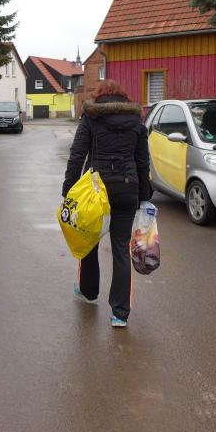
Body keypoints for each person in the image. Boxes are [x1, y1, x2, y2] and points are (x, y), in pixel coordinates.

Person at [62, 79, 152, 327]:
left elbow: (77, 155)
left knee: (89, 240)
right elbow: (142, 160)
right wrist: (144, 195)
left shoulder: (91, 117)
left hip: (95, 192)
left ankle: (89, 292)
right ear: (123, 97)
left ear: (100, 96)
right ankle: (120, 314)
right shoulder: (136, 120)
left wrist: (68, 190)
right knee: (121, 248)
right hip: (127, 189)